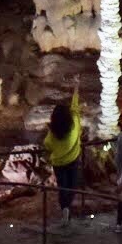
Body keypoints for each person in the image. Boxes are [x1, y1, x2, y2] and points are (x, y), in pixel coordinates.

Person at [43, 87, 84, 222]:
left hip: (59, 163)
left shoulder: (53, 133)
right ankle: (67, 206)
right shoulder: (74, 125)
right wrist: (76, 90)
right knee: (72, 185)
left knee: (63, 186)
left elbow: (47, 145)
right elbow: (75, 108)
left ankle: (64, 208)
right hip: (73, 159)